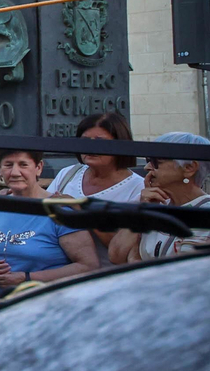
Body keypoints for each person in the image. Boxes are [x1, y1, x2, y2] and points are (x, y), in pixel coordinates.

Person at [0, 149, 98, 285]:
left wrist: (27, 278)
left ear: (39, 168)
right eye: (8, 165)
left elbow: (88, 266)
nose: (15, 172)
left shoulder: (60, 211)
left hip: (42, 297)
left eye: (23, 165)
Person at [47, 111, 145, 262]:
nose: (91, 147)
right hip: (60, 270)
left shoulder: (137, 188)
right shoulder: (68, 173)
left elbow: (122, 249)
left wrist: (82, 210)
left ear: (120, 144)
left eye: (100, 141)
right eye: (85, 140)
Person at [108, 133, 210, 262]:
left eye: (156, 162)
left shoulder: (209, 215)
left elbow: (181, 273)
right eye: (148, 160)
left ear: (189, 168)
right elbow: (115, 257)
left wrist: (134, 256)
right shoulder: (150, 203)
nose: (146, 167)